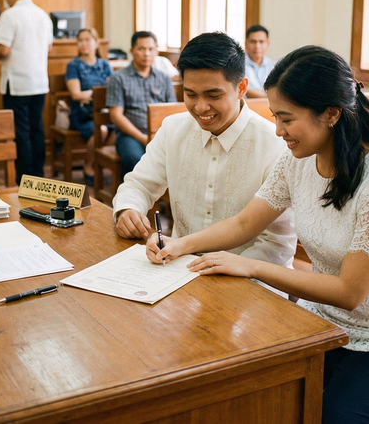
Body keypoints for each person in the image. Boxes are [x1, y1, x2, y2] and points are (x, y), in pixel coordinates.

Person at [148, 45, 369, 424]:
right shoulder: (297, 161)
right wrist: (179, 244)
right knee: (254, 388)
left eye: (286, 118)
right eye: (274, 116)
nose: (277, 130)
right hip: (323, 319)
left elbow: (350, 293)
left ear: (331, 114)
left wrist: (251, 267)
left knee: (328, 417)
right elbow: (244, 224)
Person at [114, 32, 296, 273]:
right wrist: (128, 209)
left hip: (249, 280)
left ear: (241, 88)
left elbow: (276, 244)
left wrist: (218, 271)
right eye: (190, 94)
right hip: (178, 268)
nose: (200, 107)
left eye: (213, 95)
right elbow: (139, 184)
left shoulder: (274, 145)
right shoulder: (173, 129)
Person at [0, 0, 53, 184]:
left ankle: (25, 178)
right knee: (37, 129)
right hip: (39, 83)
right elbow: (49, 48)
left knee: (21, 131)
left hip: (17, 84)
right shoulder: (43, 15)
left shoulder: (10, 15)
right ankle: (39, 175)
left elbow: (4, 49)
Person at [107, 31, 176, 177]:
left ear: (156, 51)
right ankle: (132, 198)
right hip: (130, 135)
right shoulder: (119, 78)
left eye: (151, 49)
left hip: (160, 134)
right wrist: (142, 138)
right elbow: (115, 115)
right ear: (132, 51)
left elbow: (172, 111)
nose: (147, 54)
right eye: (141, 49)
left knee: (181, 158)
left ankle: (165, 198)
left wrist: (157, 136)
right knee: (135, 159)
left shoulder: (163, 78)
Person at [65, 27, 114, 184]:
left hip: (104, 110)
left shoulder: (105, 65)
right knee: (102, 129)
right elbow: (76, 94)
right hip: (83, 114)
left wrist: (90, 94)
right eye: (80, 40)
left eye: (87, 39)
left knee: (118, 128)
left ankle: (100, 164)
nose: (83, 43)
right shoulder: (74, 65)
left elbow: (112, 91)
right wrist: (98, 94)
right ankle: (89, 165)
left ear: (96, 43)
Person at [244, 24, 275, 98]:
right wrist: (268, 97)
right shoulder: (236, 64)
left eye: (261, 42)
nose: (257, 46)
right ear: (246, 43)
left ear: (267, 44)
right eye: (253, 42)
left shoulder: (274, 66)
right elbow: (243, 89)